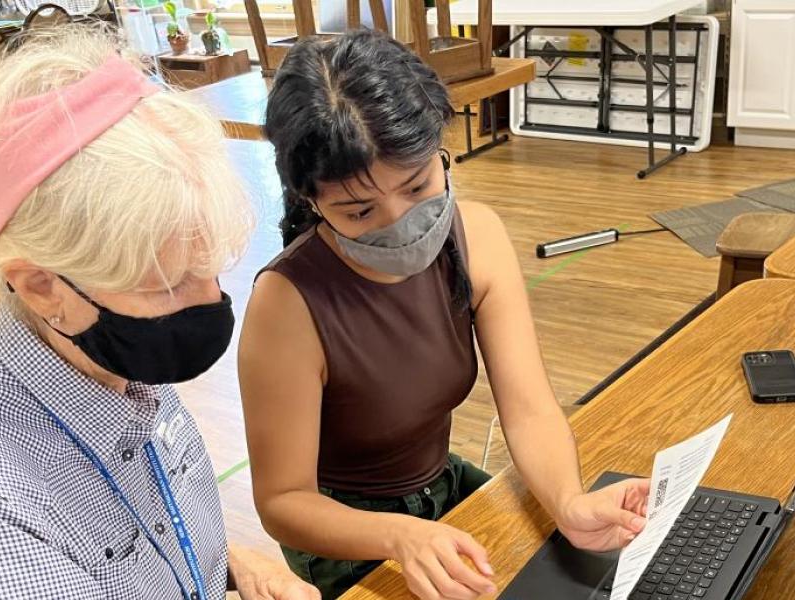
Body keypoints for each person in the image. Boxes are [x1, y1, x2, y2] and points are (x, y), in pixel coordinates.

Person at [0, 25, 317, 600]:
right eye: (165, 283)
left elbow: (138, 540)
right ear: (40, 286)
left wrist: (235, 563)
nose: (207, 299)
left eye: (205, 265)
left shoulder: (102, 357)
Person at [239, 30, 650, 600]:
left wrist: (569, 501)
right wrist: (397, 536)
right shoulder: (287, 304)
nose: (398, 221)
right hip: (346, 535)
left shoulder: (475, 235)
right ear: (311, 202)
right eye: (359, 211)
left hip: (442, 487)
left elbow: (529, 407)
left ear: (441, 147)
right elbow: (284, 503)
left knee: (582, 575)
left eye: (417, 185)